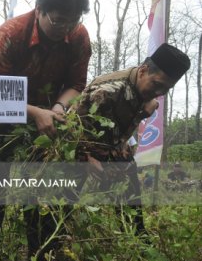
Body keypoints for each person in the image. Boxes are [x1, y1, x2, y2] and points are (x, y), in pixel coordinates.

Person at [0, 0, 91, 261]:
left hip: (47, 122)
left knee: (42, 188)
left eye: (72, 20)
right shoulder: (9, 35)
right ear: (39, 9)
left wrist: (57, 108)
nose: (64, 28)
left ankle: (41, 258)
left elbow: (77, 84)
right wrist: (33, 112)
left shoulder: (78, 37)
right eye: (57, 20)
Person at [75, 43, 191, 231]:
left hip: (115, 147)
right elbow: (72, 127)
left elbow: (125, 127)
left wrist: (146, 108)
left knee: (132, 201)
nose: (159, 93)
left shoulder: (146, 92)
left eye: (165, 90)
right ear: (143, 71)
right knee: (61, 201)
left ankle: (137, 239)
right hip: (80, 148)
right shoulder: (107, 91)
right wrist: (84, 158)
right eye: (157, 85)